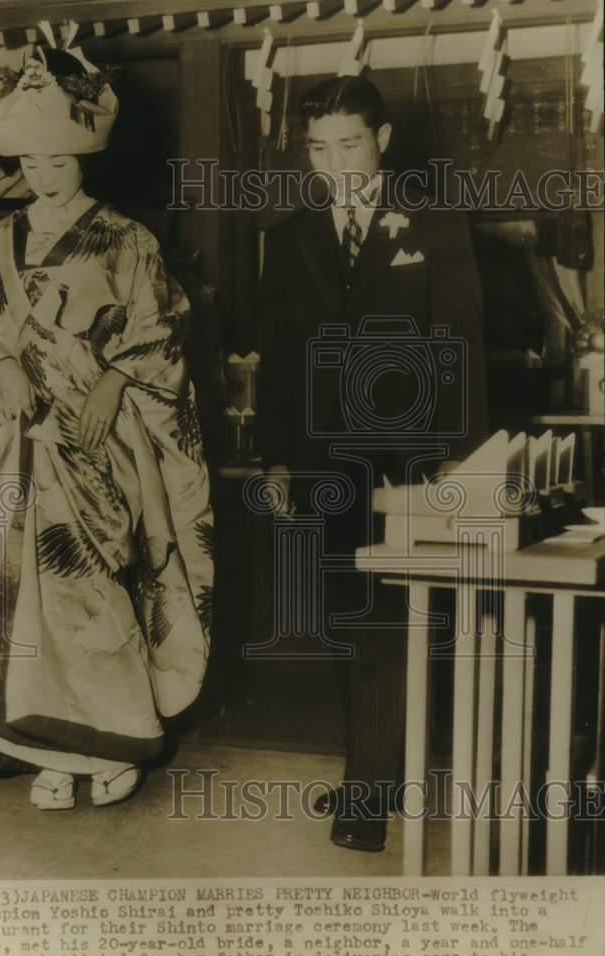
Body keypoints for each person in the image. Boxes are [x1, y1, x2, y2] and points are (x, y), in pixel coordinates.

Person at [0, 37, 213, 809]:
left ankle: (102, 740)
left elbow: (161, 328)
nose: (43, 178)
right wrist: (4, 367)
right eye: (30, 164)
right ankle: (3, 728)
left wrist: (113, 377)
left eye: (59, 163)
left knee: (84, 588)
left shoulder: (127, 239)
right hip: (4, 436)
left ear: (87, 161)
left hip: (91, 435)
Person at [257, 76, 487, 852]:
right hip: (325, 460)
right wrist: (279, 462)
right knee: (343, 615)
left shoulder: (437, 221)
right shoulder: (290, 235)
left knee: (386, 623)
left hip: (411, 458)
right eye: (318, 148)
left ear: (382, 140)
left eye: (348, 143)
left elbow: (461, 341)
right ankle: (375, 770)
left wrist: (454, 458)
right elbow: (283, 360)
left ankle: (366, 795)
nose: (334, 162)